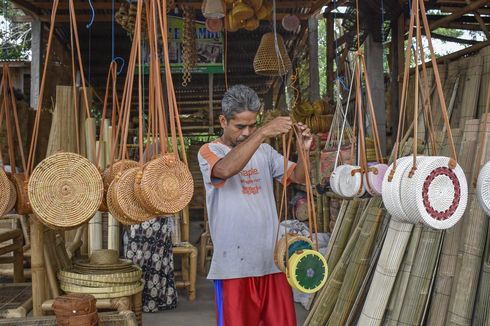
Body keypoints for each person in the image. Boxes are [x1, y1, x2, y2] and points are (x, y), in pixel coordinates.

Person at [198, 84, 312, 326]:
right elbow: (225, 170)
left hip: (272, 262)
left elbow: (298, 177)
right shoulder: (209, 151)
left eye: (252, 125)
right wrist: (262, 132)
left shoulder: (266, 153)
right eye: (240, 126)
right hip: (233, 267)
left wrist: (303, 151)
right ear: (223, 121)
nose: (247, 132)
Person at [125, 143, 178, 313]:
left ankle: (136, 302)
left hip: (141, 224)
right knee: (156, 263)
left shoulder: (138, 175)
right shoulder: (157, 176)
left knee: (139, 261)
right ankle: (152, 301)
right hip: (152, 224)